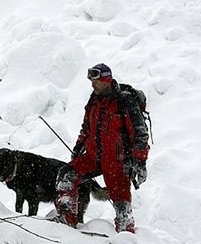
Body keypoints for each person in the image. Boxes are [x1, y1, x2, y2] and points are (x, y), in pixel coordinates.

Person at [53, 63, 150, 233]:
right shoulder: (93, 100)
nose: (92, 84)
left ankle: (126, 236)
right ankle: (66, 224)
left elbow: (140, 134)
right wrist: (77, 150)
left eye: (96, 81)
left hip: (117, 162)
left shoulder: (124, 101)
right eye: (91, 81)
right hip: (92, 157)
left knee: (121, 205)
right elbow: (86, 129)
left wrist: (140, 162)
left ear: (107, 79)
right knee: (66, 177)